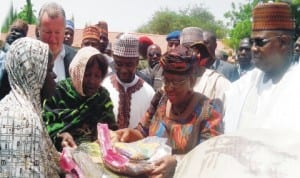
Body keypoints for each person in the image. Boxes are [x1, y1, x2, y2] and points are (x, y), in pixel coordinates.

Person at [115, 45, 222, 177]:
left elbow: (210, 158)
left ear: (192, 80)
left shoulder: (208, 110)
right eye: (166, 80)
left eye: (177, 82)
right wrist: (128, 134)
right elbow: (142, 133)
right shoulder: (160, 98)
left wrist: (177, 162)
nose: (169, 88)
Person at [223, 2, 300, 133]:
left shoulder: (295, 83)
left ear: (284, 42)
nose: (253, 48)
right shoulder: (246, 83)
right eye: (252, 42)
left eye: (260, 42)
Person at [0, 37, 60, 177]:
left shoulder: (13, 104)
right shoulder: (24, 121)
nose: (55, 76)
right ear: (32, 75)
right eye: (49, 70)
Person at [43, 46, 118, 151]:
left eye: (97, 76)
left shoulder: (102, 97)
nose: (92, 81)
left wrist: (109, 136)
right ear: (77, 72)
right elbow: (44, 125)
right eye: (87, 75)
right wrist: (60, 136)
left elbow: (110, 128)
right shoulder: (58, 92)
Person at [102, 33, 155, 129]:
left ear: (137, 62)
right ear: (114, 60)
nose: (124, 70)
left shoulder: (149, 93)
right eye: (119, 63)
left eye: (129, 64)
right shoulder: (103, 87)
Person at [181, 27, 231, 115]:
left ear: (200, 52)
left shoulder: (218, 83)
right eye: (184, 48)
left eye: (193, 49)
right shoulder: (172, 81)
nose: (186, 54)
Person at [37, 2, 76, 82]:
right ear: (38, 30)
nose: (52, 39)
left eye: (57, 32)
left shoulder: (75, 60)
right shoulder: (26, 58)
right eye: (48, 32)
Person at [0, 19, 29, 99]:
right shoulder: (2, 53)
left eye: (19, 31)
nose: (14, 33)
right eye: (12, 30)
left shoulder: (24, 59)